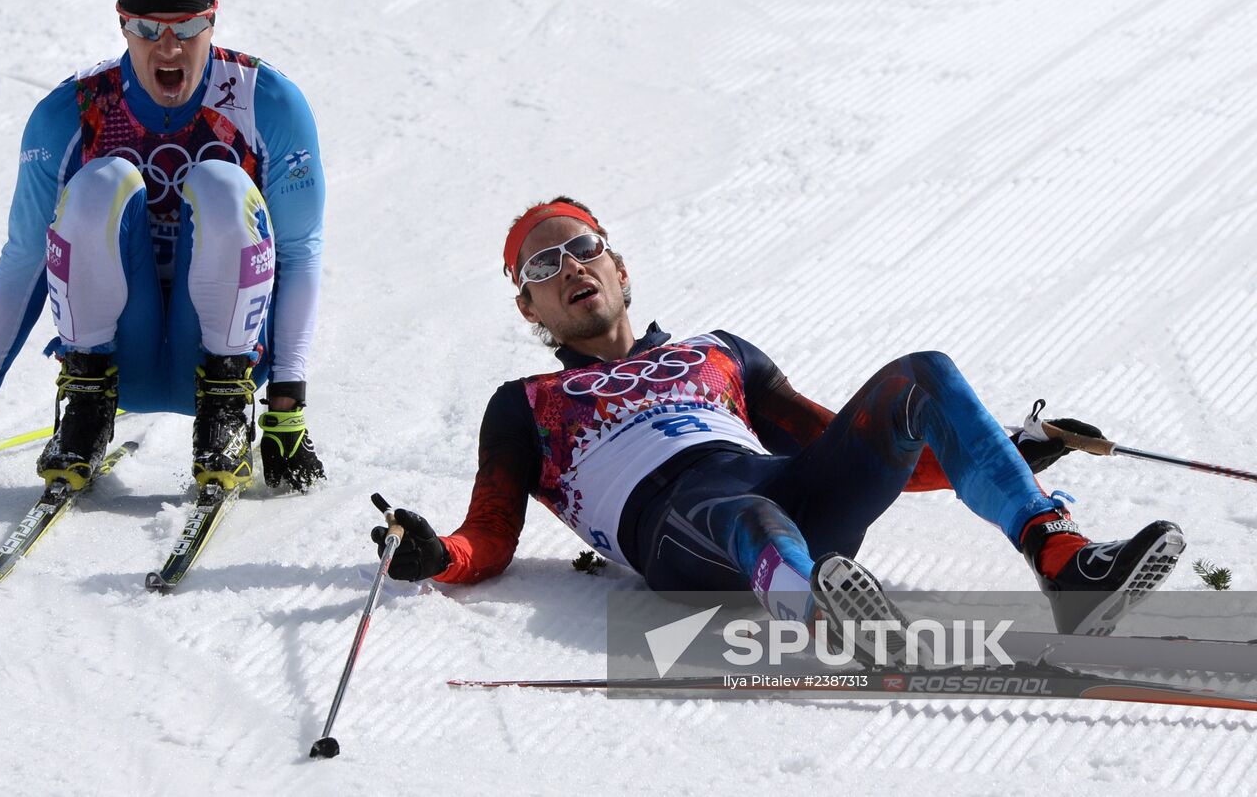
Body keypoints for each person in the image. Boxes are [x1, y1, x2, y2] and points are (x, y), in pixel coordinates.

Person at [369, 197, 1185, 641]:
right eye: (543, 266)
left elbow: (867, 446)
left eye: (581, 246)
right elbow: (489, 537)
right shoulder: (525, 406)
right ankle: (819, 613)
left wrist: (1013, 451)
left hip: (791, 489)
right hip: (679, 527)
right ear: (529, 307)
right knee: (747, 513)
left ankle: (1066, 561)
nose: (570, 267)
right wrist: (438, 555)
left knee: (922, 378)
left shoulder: (716, 352)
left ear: (618, 264)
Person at [0, 0, 326, 493]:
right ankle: (85, 402)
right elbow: (24, 259)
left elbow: (299, 254)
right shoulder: (73, 111)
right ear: (124, 23)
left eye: (188, 28)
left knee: (221, 184)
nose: (169, 48)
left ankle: (225, 411)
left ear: (213, 18)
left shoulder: (266, 102)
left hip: (223, 357)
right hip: (117, 354)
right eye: (148, 29)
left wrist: (288, 404)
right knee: (103, 182)